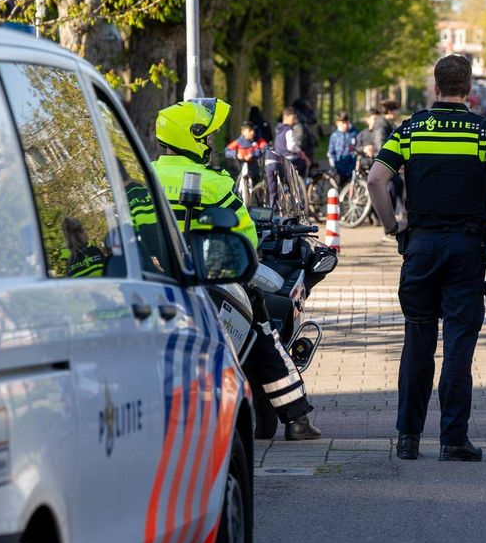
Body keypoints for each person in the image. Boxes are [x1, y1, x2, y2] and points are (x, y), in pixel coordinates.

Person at [368, 55, 486, 462]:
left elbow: (376, 179)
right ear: (468, 89)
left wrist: (392, 226)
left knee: (417, 342)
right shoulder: (484, 131)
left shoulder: (411, 129)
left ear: (435, 87)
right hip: (466, 250)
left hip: (420, 247)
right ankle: (453, 439)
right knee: (458, 346)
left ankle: (408, 439)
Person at [152, 98, 322, 441]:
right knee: (263, 336)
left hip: (155, 283)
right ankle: (297, 418)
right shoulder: (213, 183)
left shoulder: (145, 177)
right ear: (191, 138)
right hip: (210, 280)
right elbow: (245, 239)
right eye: (206, 137)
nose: (210, 144)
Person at [272, 107, 309, 180]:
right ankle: (301, 184)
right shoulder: (288, 130)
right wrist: (300, 151)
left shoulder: (278, 129)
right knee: (304, 163)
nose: (295, 120)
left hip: (279, 158)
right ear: (285, 117)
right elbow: (291, 146)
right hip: (289, 158)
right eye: (293, 117)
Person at [328, 112, 359, 183]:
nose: (345, 125)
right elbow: (331, 151)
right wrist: (333, 163)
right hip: (338, 167)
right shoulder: (334, 136)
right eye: (342, 123)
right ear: (337, 123)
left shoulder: (355, 133)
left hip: (352, 167)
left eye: (346, 123)